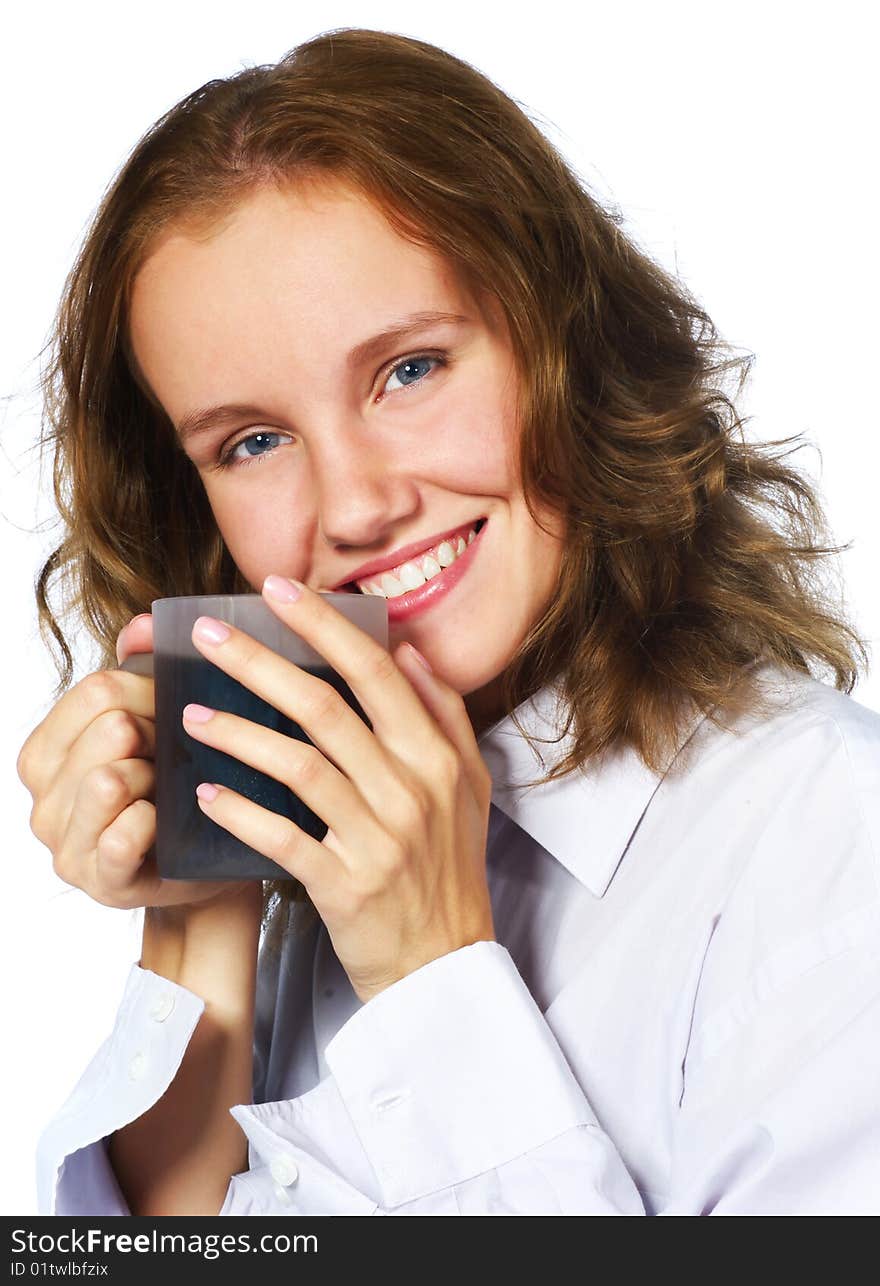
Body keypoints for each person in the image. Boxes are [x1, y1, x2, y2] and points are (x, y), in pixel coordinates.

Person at [19, 27, 880, 1216]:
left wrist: (430, 978)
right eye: (253, 442)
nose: (357, 505)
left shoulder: (832, 852)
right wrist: (200, 914)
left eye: (409, 371)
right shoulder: (330, 840)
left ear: (562, 344)